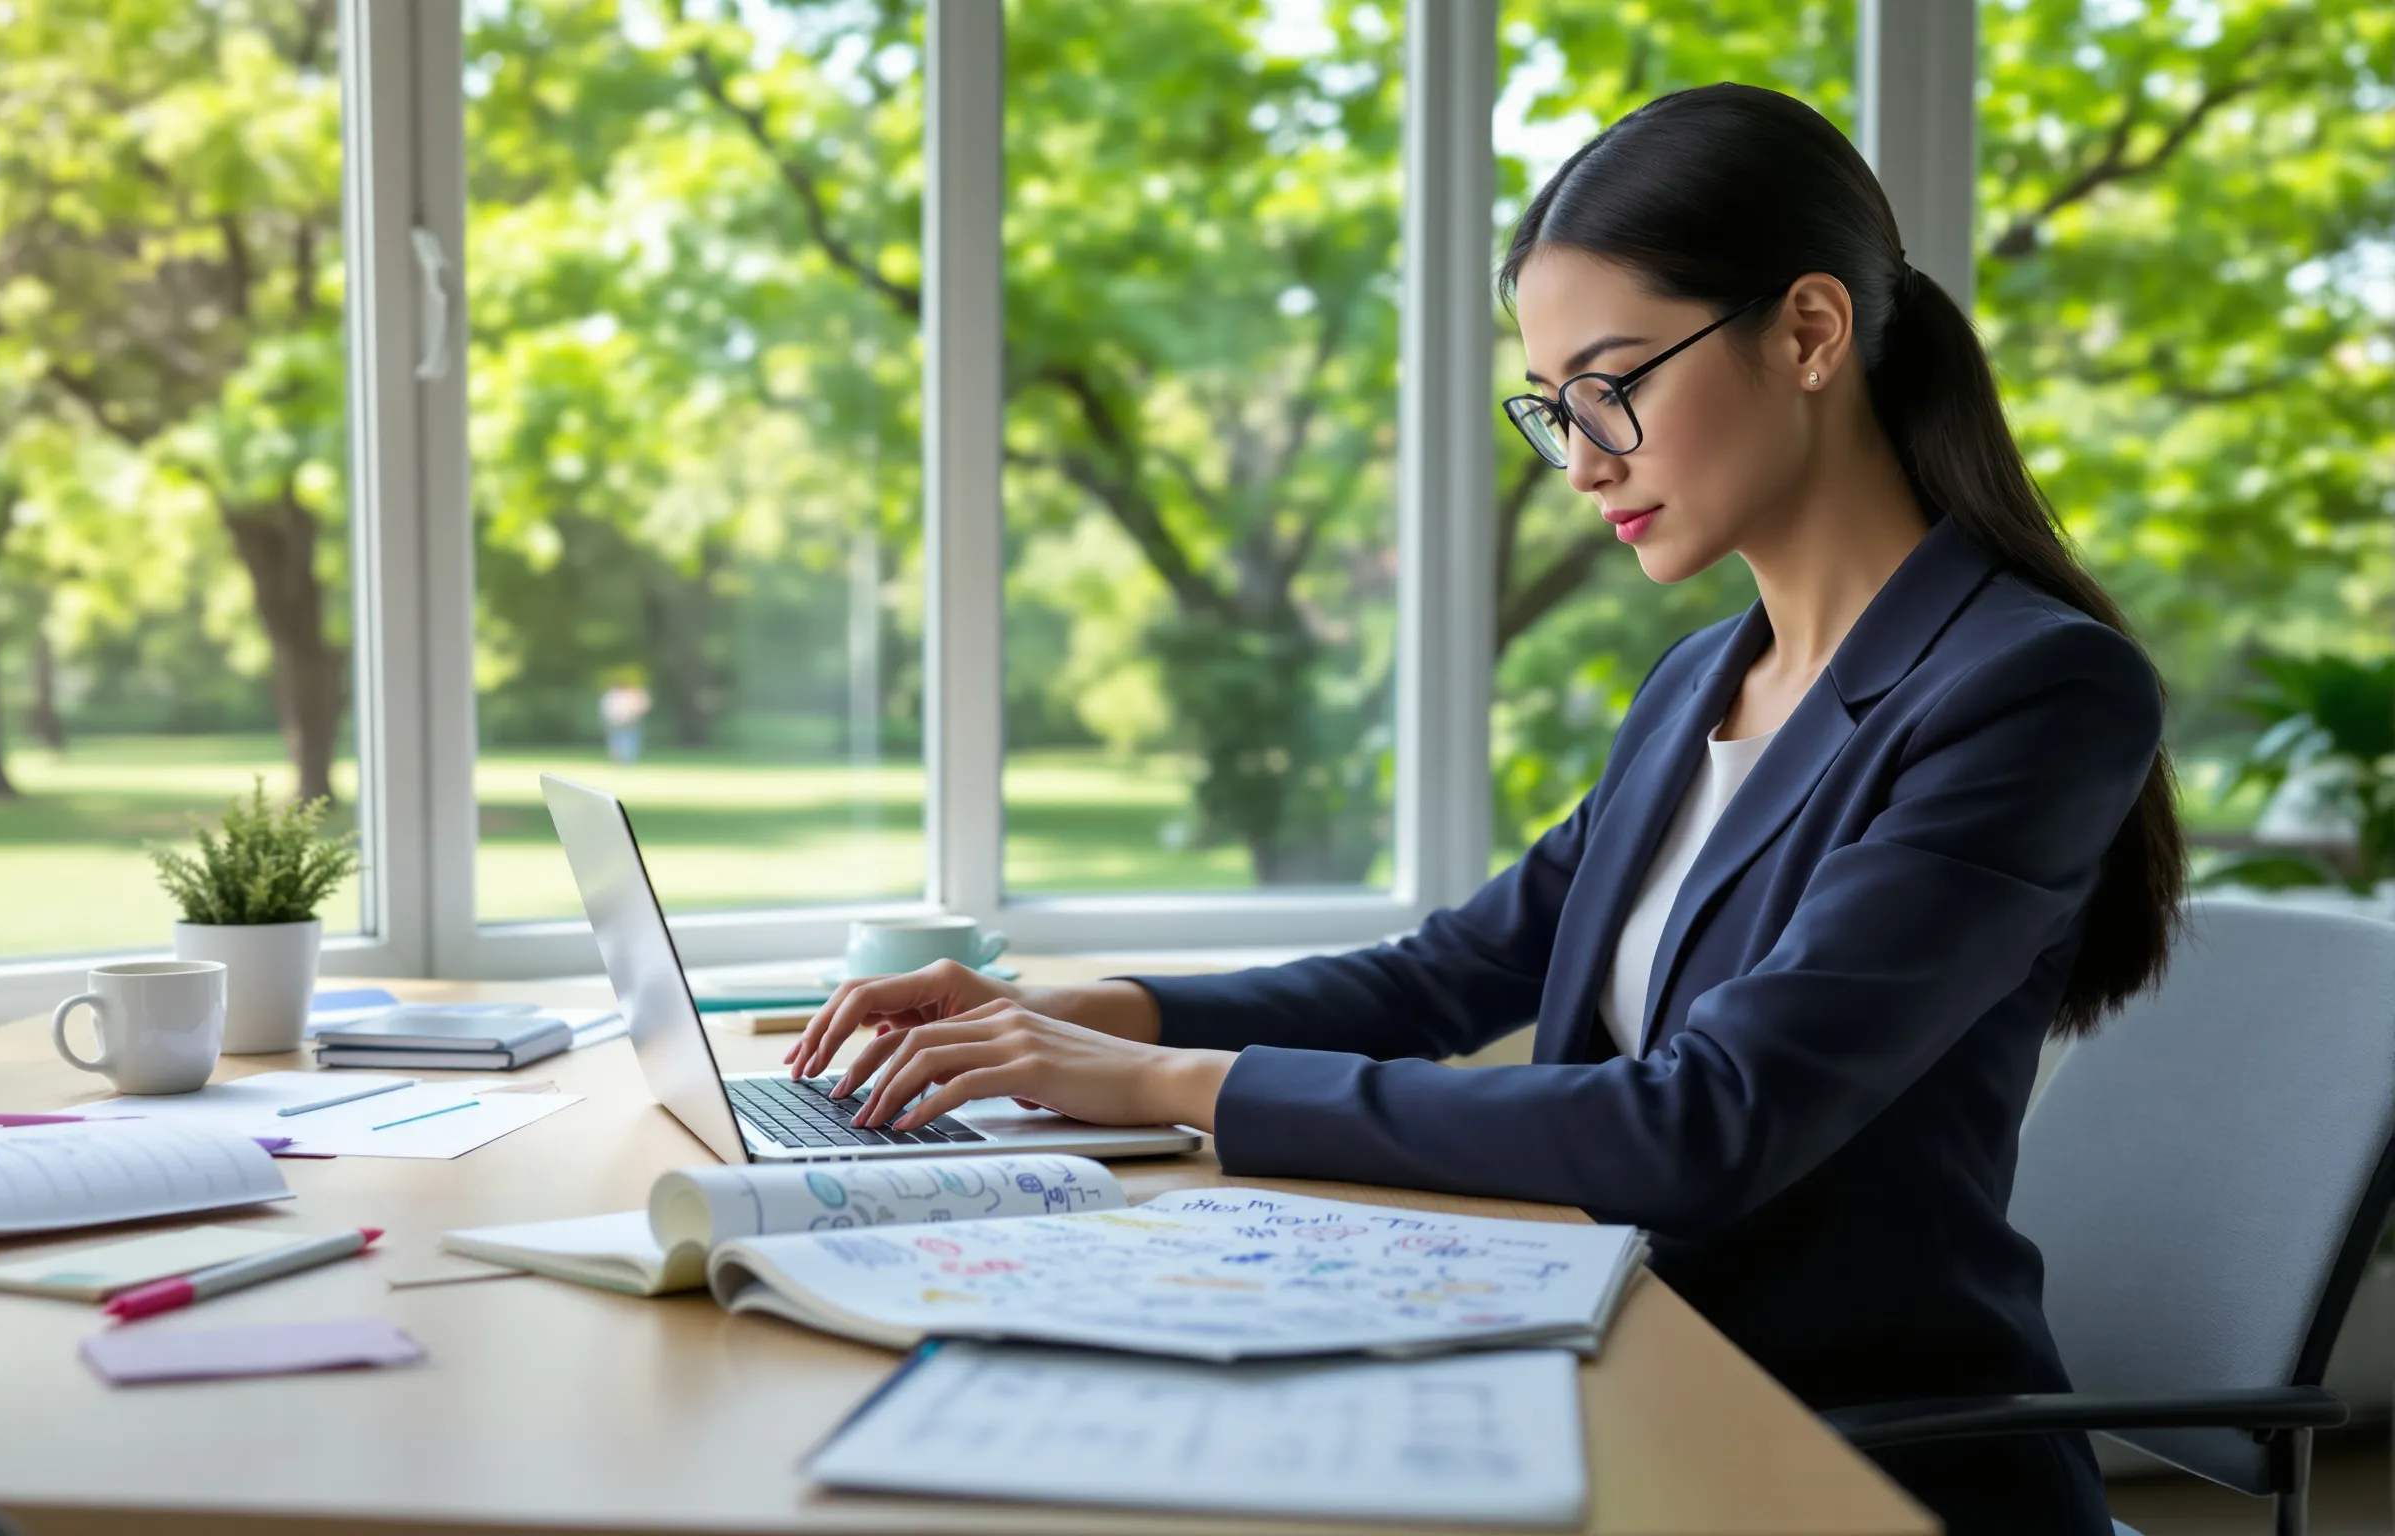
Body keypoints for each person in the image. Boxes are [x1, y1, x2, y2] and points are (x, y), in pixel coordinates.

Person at [784, 83, 2185, 1535]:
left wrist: (1157, 1088)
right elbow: (1446, 973)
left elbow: (1709, 1125)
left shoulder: (2031, 693)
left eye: (1614, 382)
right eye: (1553, 407)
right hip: (1603, 1360)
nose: (1581, 459)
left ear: (1811, 333)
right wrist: (1087, 1015)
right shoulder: (1705, 679)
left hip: (1825, 1448)